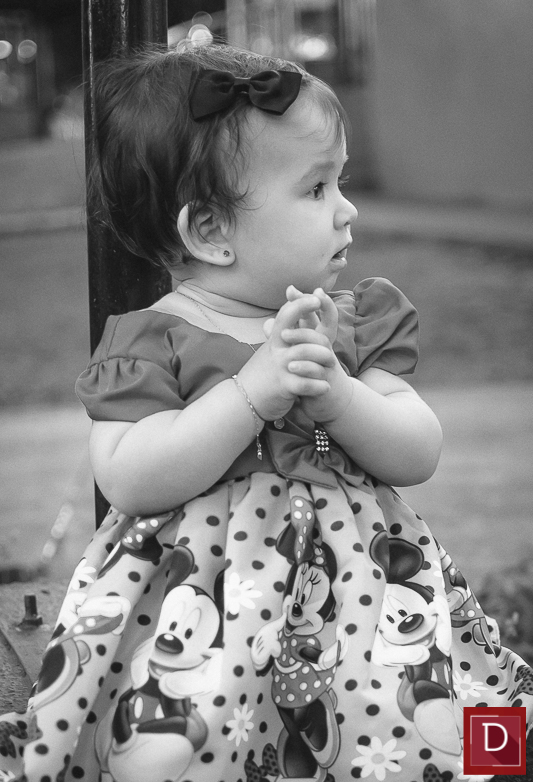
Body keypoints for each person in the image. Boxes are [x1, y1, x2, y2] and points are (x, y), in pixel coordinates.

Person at [1, 43, 531, 782]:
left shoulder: (348, 324)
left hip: (364, 604)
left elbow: (417, 451)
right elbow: (127, 476)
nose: (346, 208)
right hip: (205, 611)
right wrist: (251, 393)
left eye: (339, 181)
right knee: (196, 745)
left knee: (412, 739)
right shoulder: (153, 342)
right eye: (315, 189)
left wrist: (339, 396)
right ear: (210, 232)